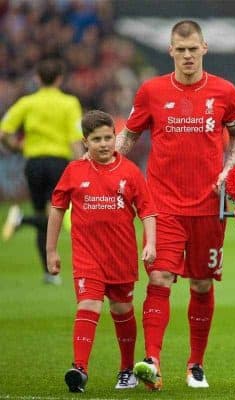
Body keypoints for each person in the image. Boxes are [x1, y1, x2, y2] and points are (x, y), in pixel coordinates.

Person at [115, 20, 235, 390]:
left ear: (204, 48)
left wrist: (229, 168)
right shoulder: (152, 91)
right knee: (159, 277)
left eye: (193, 49)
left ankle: (196, 364)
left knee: (202, 285)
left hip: (208, 204)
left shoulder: (225, 91)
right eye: (180, 49)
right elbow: (129, 135)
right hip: (163, 205)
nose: (187, 55)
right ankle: (152, 360)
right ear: (170, 51)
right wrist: (106, 164)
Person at [46, 110, 157, 393]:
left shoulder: (130, 172)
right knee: (89, 305)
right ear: (86, 142)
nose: (105, 143)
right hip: (87, 257)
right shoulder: (74, 171)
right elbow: (58, 209)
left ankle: (126, 369)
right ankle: (79, 369)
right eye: (97, 139)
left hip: (120, 256)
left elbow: (147, 211)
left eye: (109, 137)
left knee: (122, 311)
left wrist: (151, 243)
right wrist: (51, 251)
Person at [0, 58, 84, 285]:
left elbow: (4, 132)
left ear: (37, 79)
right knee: (52, 215)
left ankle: (48, 273)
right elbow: (76, 139)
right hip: (57, 162)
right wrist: (84, 166)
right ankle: (21, 220)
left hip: (33, 163)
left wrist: (16, 147)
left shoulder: (27, 102)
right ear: (60, 78)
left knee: (43, 211)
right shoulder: (69, 103)